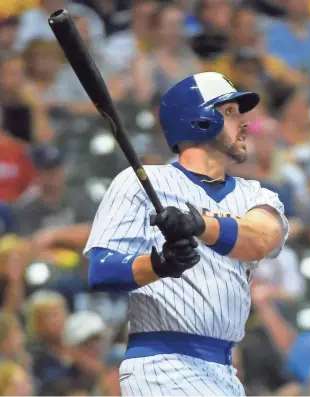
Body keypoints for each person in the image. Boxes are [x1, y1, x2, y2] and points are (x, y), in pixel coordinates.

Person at [83, 71, 289, 396]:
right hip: (161, 362)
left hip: (224, 368)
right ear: (200, 120)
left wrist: (200, 225)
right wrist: (161, 264)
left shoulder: (257, 195)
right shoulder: (143, 181)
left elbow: (261, 239)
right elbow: (102, 271)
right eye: (230, 113)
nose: (245, 123)